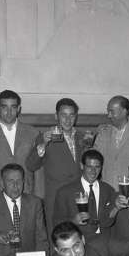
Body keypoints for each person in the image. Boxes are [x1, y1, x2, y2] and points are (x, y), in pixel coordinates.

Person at [26, 98, 86, 233]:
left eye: (71, 115)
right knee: (57, 236)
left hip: (80, 198)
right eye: (63, 115)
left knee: (79, 235)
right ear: (56, 116)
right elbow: (31, 165)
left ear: (76, 117)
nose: (67, 119)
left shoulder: (82, 137)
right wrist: (43, 145)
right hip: (55, 198)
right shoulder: (46, 137)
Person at [0, 90, 40, 200]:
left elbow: (38, 169)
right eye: (4, 107)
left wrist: (38, 198)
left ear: (18, 108)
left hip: (26, 195)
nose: (9, 112)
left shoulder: (33, 133)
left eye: (13, 107)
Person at [53, 150, 117, 240]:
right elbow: (57, 223)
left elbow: (111, 220)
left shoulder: (108, 190)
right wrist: (73, 221)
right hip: (79, 241)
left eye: (97, 167)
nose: (93, 171)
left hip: (104, 241)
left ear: (101, 168)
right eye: (89, 167)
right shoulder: (65, 192)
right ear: (82, 166)